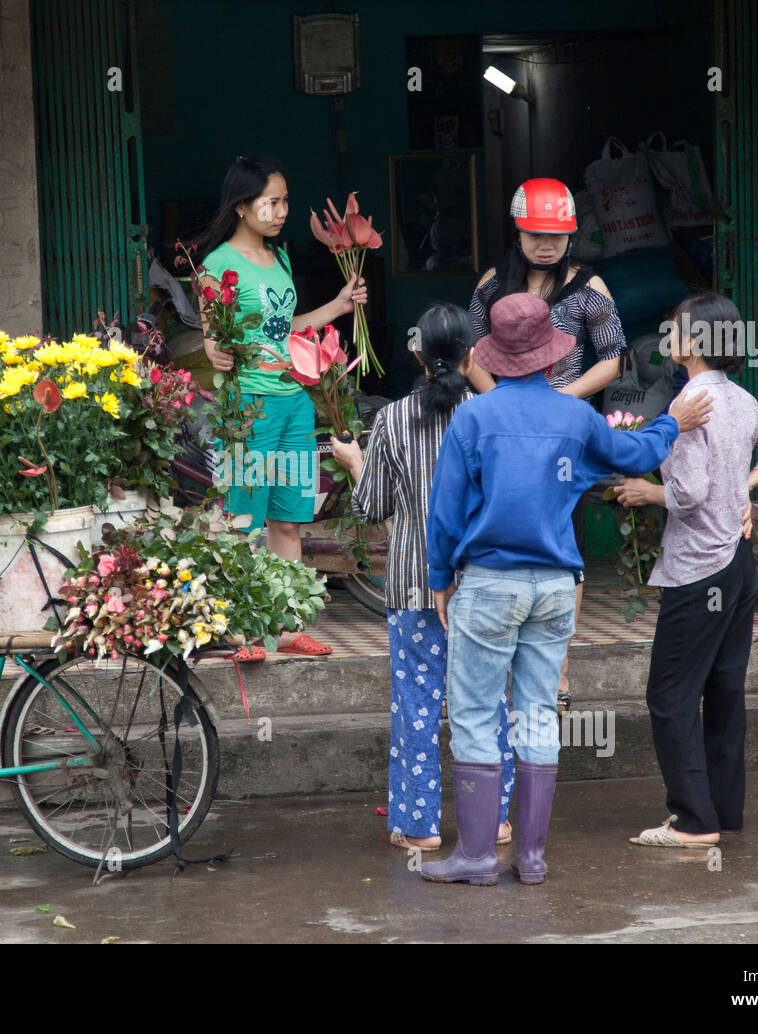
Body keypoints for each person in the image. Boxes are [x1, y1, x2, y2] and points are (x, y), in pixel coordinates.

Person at [421, 292, 710, 886]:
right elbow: (635, 452)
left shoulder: (474, 417)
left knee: (477, 715)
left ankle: (476, 856)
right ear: (553, 360)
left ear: (492, 358)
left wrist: (439, 579)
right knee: (537, 716)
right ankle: (530, 857)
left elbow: (445, 511)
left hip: (491, 584)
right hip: (556, 586)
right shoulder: (574, 416)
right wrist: (671, 423)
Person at [615, 292, 758, 847]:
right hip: (739, 567)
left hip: (698, 567)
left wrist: (650, 490)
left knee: (670, 694)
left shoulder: (688, 404)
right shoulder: (740, 399)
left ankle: (694, 822)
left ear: (694, 342)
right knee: (724, 690)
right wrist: (742, 489)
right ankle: (723, 813)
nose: (667, 332)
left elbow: (690, 491)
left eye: (673, 327)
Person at [331, 304, 514, 852]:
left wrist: (354, 462)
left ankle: (418, 827)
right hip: (482, 581)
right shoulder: (491, 414)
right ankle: (496, 821)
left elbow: (373, 506)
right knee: (486, 704)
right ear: (472, 354)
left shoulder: (389, 420)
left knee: (416, 705)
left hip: (412, 582)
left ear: (416, 354)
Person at [468, 178, 638, 710]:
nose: (546, 244)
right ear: (518, 231)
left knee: (566, 546)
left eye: (557, 235)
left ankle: (558, 672)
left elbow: (613, 360)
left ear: (572, 235)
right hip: (501, 432)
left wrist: (560, 399)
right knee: (500, 536)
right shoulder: (493, 286)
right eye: (536, 234)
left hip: (567, 435)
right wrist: (505, 407)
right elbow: (470, 353)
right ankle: (499, 672)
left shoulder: (593, 288)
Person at [195, 154, 367, 659]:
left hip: (294, 403)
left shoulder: (282, 259)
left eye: (285, 201)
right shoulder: (216, 266)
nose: (282, 210)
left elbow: (284, 328)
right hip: (247, 407)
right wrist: (214, 351)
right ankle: (243, 631)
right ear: (243, 206)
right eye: (273, 201)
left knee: (289, 522)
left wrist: (337, 305)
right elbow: (212, 341)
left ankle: (288, 627)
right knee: (244, 522)